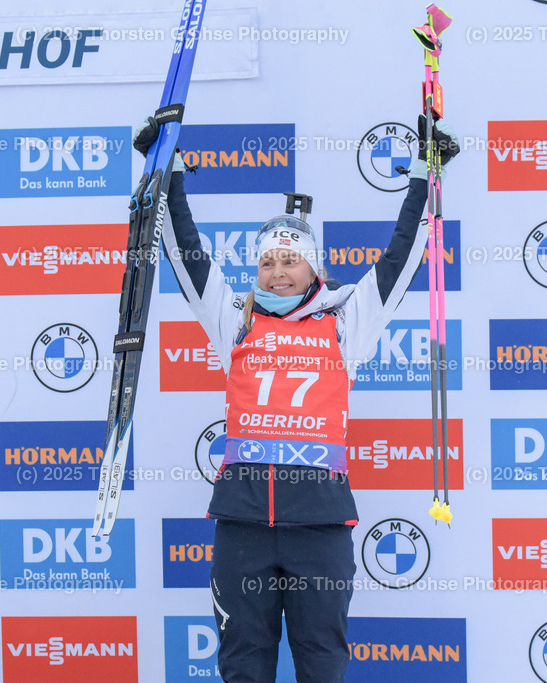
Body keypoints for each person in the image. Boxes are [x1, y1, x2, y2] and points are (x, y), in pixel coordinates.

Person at [134, 115, 458, 682]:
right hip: (243, 524)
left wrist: (426, 177)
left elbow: (402, 256)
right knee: (243, 665)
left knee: (322, 663)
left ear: (313, 264)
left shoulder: (344, 319)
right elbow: (186, 254)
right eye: (267, 261)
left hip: (320, 525)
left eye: (290, 260)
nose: (278, 272)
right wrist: (169, 173)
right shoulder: (234, 318)